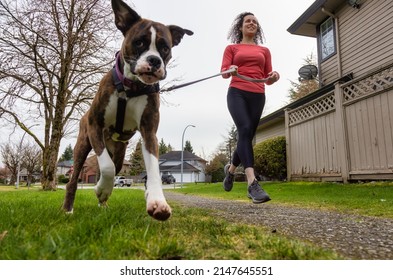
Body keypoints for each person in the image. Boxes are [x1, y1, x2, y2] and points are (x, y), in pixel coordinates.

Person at [220, 12, 280, 203]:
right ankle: (252, 184)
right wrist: (231, 69)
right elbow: (224, 73)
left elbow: (267, 77)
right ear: (241, 27)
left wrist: (273, 76)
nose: (251, 23)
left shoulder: (265, 51)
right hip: (237, 92)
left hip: (258, 94)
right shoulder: (232, 48)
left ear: (257, 28)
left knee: (246, 136)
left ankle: (230, 171)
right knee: (245, 129)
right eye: (248, 21)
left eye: (254, 21)